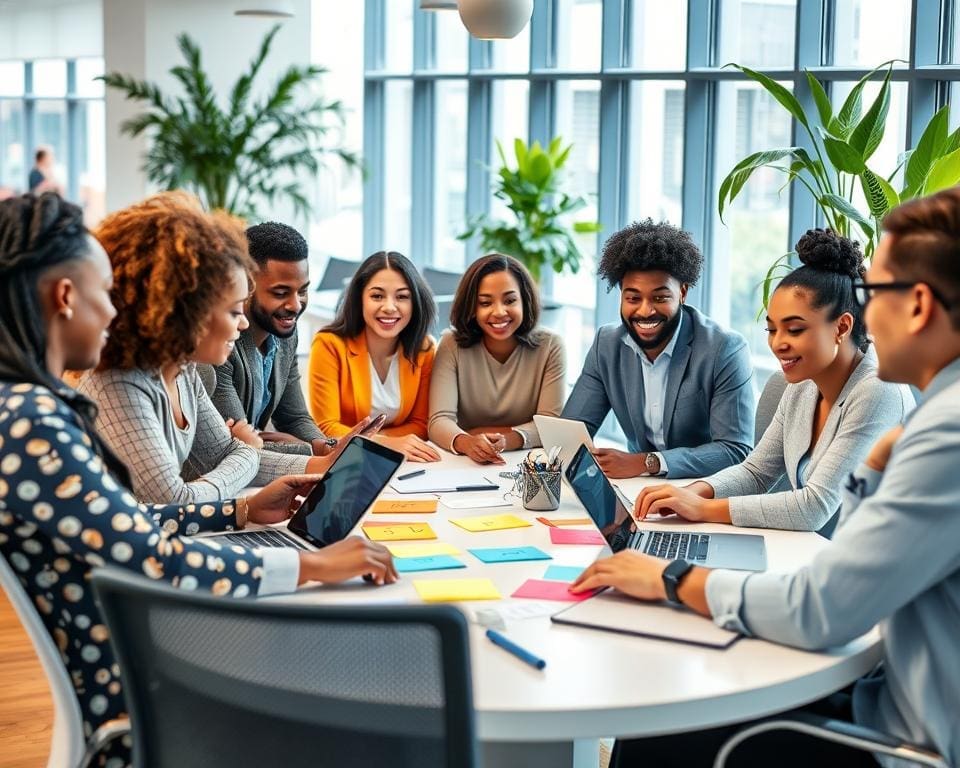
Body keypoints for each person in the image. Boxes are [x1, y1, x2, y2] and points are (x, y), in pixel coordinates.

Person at [0, 192, 397, 764]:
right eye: (103, 295)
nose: (115, 312)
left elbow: (129, 529)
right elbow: (156, 559)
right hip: (155, 697)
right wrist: (309, 564)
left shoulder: (27, 408)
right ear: (65, 297)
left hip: (159, 659)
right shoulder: (34, 420)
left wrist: (235, 511)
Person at [570, 187, 960, 767]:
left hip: (903, 732)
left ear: (919, 304)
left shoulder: (942, 435)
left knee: (669, 713)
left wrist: (672, 577)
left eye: (875, 293)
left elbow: (820, 608)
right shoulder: (926, 414)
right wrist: (695, 496)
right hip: (887, 681)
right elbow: (761, 472)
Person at [633, 230, 914, 533]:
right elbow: (755, 472)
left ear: (842, 327)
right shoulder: (802, 385)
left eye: (794, 329)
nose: (778, 343)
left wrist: (702, 509)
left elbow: (814, 507)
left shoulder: (878, 390)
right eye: (771, 330)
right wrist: (693, 492)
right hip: (821, 554)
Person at [78, 192, 337, 505]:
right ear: (187, 311)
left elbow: (224, 453)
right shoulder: (120, 383)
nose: (242, 324)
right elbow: (174, 503)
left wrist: (323, 465)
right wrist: (248, 456)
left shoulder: (181, 369)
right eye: (233, 311)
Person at [562, 219, 754, 479]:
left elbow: (735, 450)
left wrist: (647, 462)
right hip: (641, 490)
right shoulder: (606, 345)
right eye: (633, 298)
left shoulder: (724, 349)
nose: (645, 311)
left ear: (683, 293)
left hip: (706, 490)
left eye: (660, 297)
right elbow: (571, 432)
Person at [201, 221, 333, 457]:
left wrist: (329, 447)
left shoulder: (285, 337)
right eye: (281, 293)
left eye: (302, 291)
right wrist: (309, 448)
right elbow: (238, 445)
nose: (295, 305)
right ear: (246, 285)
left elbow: (294, 418)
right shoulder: (219, 346)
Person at [428, 253, 565, 464]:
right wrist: (467, 442)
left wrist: (504, 440)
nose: (499, 312)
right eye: (485, 303)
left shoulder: (550, 346)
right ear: (472, 308)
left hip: (526, 463)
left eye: (510, 300)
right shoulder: (450, 344)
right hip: (465, 463)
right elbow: (438, 421)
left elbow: (549, 424)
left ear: (525, 301)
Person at [309, 251, 441, 463]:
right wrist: (384, 443)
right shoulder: (329, 344)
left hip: (403, 463)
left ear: (415, 302)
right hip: (345, 462)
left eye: (402, 296)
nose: (389, 307)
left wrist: (380, 442)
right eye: (377, 296)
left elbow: (421, 423)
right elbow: (325, 427)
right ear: (360, 298)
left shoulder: (424, 348)